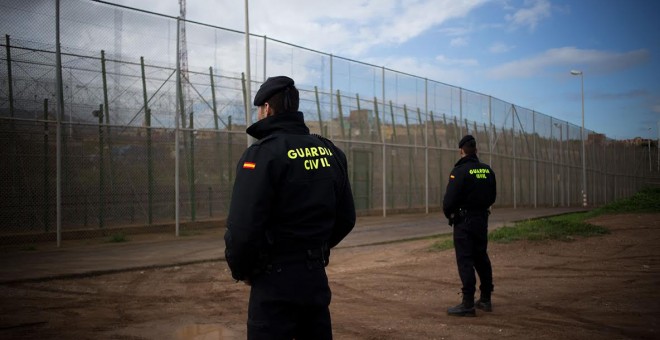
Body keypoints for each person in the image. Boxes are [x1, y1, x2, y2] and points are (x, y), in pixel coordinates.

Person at [224, 76, 356, 339]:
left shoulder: (262, 154)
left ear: (266, 109)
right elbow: (346, 218)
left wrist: (243, 270)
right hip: (314, 279)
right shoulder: (330, 152)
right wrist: (314, 250)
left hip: (274, 283)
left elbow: (244, 229)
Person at [443, 134, 497, 317]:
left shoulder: (459, 171)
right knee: (481, 257)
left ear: (461, 151)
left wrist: (451, 215)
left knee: (465, 259)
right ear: (476, 150)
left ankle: (467, 303)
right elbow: (492, 197)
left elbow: (449, 200)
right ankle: (486, 298)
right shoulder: (488, 171)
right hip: (481, 219)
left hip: (464, 221)